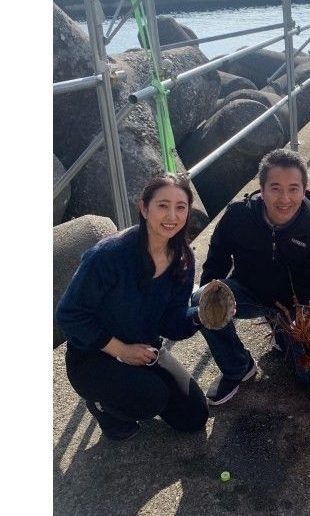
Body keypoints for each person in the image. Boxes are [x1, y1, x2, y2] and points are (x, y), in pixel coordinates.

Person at [56, 173, 208, 441]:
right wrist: (122, 350)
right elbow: (69, 315)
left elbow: (171, 323)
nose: (172, 215)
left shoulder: (184, 259)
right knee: (151, 398)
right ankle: (102, 406)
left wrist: (201, 316)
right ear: (144, 208)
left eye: (180, 207)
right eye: (163, 205)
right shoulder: (107, 256)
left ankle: (136, 390)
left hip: (145, 349)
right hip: (93, 355)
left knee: (194, 416)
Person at [194, 148, 310, 405]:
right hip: (248, 292)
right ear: (261, 187)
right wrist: (211, 291)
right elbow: (217, 258)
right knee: (200, 298)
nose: (284, 198)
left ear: (304, 189)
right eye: (275, 188)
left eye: (293, 188)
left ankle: (282, 333)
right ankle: (238, 367)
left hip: (294, 310)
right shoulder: (238, 214)